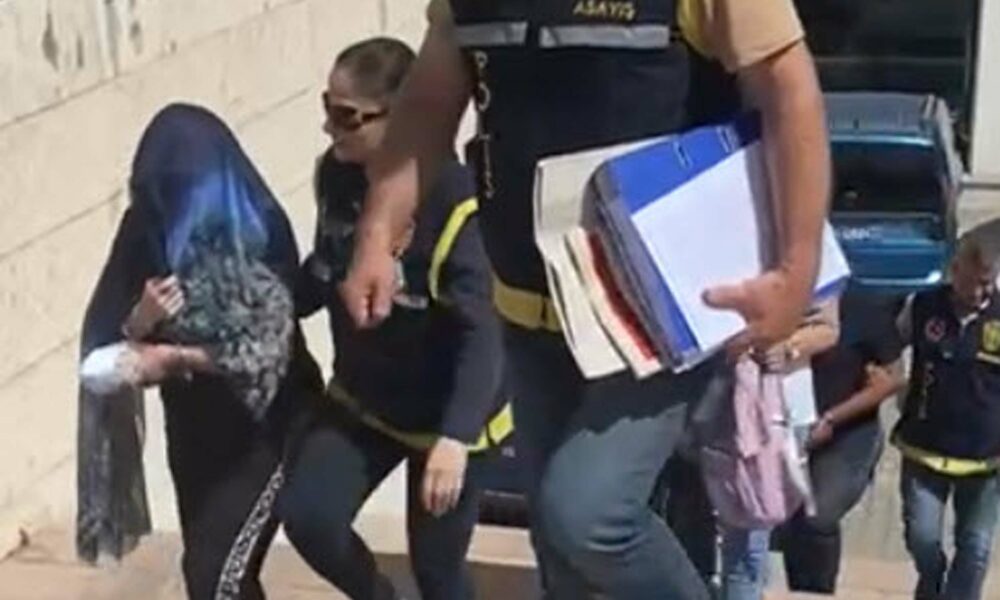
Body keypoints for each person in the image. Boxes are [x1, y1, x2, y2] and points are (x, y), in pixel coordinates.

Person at [341, 1, 831, 597]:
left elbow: (789, 91)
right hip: (528, 307)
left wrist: (796, 270)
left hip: (655, 314)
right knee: (559, 552)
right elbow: (428, 105)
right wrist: (378, 233)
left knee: (589, 515)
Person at [277, 38, 507, 600]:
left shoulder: (457, 204)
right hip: (365, 399)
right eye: (326, 108)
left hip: (447, 420)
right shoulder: (337, 176)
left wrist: (455, 440)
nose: (329, 129)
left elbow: (483, 333)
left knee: (437, 569)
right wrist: (267, 306)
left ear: (401, 116)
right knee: (309, 517)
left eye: (346, 116)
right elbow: (326, 267)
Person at [76, 104, 324, 600]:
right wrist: (142, 319)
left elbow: (265, 350)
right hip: (195, 433)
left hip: (268, 428)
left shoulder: (255, 232)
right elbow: (113, 340)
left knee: (217, 576)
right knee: (209, 576)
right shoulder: (147, 229)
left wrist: (173, 359)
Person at [716, 291, 904, 599]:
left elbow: (892, 378)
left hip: (844, 432)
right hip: (778, 423)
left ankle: (814, 590)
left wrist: (832, 418)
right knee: (764, 525)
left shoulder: (865, 309)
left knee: (817, 516)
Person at [894, 236, 1000, 600]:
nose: (981, 292)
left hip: (986, 457)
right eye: (974, 282)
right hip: (924, 448)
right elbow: (891, 349)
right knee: (922, 538)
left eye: (988, 282)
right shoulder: (923, 307)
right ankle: (932, 578)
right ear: (954, 272)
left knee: (975, 546)